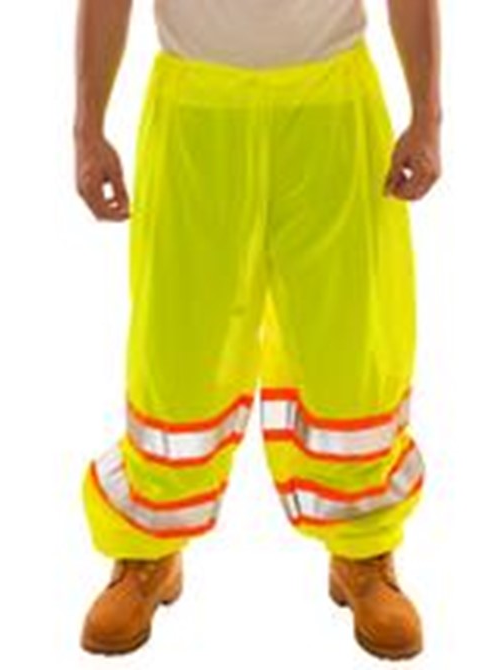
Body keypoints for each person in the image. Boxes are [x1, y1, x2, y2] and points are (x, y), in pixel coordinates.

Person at [73, 0, 441, 660]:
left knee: (348, 342)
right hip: (196, 110)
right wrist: (87, 130)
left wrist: (427, 117)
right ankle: (148, 549)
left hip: (331, 104)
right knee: (177, 345)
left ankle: (362, 551)